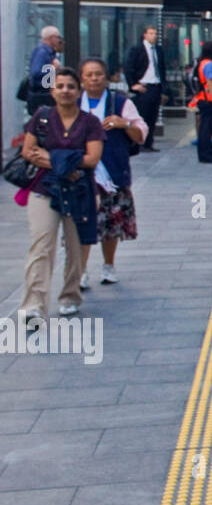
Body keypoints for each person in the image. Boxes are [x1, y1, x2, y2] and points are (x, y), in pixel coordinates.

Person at [17, 67, 104, 328]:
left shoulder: (90, 122)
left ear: (79, 91)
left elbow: (92, 159)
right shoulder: (41, 118)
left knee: (76, 248)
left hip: (80, 192)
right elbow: (27, 151)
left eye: (71, 86)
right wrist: (65, 164)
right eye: (60, 86)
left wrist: (50, 158)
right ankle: (33, 304)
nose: (65, 90)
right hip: (44, 190)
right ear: (52, 91)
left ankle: (70, 295)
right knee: (41, 245)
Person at [78, 57, 147, 287]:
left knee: (111, 223)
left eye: (98, 74)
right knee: (82, 223)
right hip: (81, 174)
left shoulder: (120, 103)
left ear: (105, 77)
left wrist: (124, 124)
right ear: (82, 79)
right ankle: (81, 271)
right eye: (89, 75)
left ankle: (108, 265)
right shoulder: (75, 103)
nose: (94, 78)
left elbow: (141, 134)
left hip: (113, 173)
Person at [124, 25, 166, 152]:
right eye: (151, 33)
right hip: (144, 86)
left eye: (155, 33)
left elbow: (162, 69)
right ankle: (140, 142)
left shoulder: (158, 50)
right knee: (143, 115)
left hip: (156, 86)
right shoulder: (137, 49)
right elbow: (129, 67)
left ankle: (149, 143)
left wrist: (164, 88)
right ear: (145, 35)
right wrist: (133, 85)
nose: (154, 36)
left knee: (153, 116)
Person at [188, 41, 212, 164]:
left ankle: (204, 154)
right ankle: (207, 154)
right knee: (207, 128)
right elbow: (211, 84)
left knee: (204, 127)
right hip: (208, 100)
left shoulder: (201, 63)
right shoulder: (210, 65)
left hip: (203, 98)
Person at [25, 26, 63, 114]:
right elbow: (35, 72)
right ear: (51, 38)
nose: (59, 41)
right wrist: (53, 68)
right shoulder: (42, 52)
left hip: (46, 93)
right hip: (42, 95)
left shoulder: (49, 52)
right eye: (58, 37)